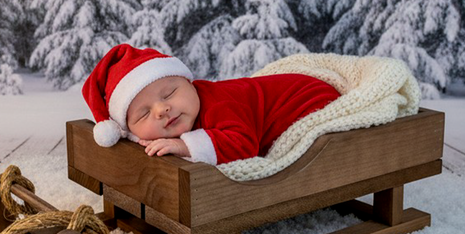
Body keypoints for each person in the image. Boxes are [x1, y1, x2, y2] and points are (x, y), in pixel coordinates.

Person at [82, 44, 340, 165]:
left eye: (169, 93)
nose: (162, 110)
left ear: (190, 83)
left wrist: (185, 146)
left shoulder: (218, 104)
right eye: (144, 114)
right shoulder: (176, 115)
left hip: (310, 100)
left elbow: (243, 143)